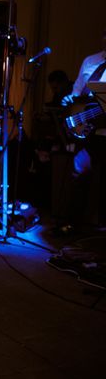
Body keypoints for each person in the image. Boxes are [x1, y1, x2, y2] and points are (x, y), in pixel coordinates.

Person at [59, 29, 106, 230]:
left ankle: (101, 225)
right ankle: (72, 222)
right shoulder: (90, 60)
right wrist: (70, 98)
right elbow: (77, 90)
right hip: (87, 128)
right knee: (79, 172)